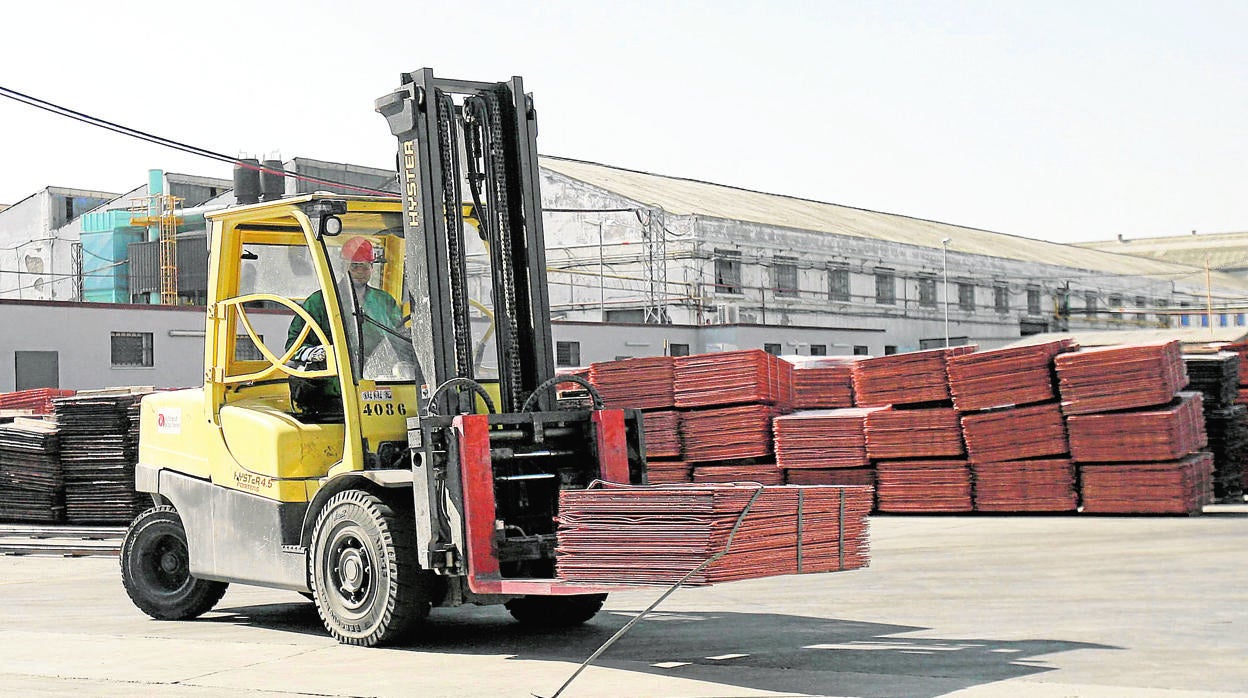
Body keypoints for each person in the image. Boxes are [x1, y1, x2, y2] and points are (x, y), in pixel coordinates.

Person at [285, 237, 402, 415]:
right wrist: (314, 353)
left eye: (365, 266)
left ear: (372, 267)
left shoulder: (384, 302)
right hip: (329, 395)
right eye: (354, 265)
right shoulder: (319, 302)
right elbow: (293, 347)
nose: (360, 271)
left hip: (378, 391)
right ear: (343, 266)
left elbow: (400, 340)